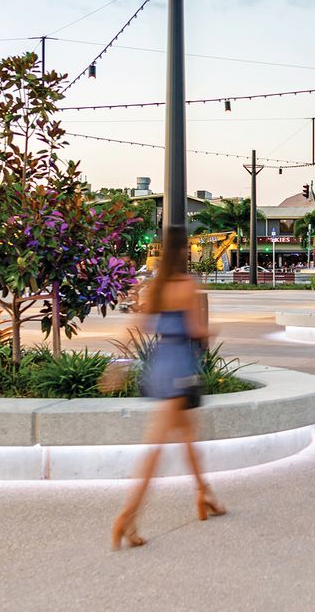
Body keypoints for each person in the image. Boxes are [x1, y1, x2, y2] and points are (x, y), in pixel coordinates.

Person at [112, 225, 225, 550]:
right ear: (184, 251)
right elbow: (195, 330)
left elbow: (138, 326)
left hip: (160, 366)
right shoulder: (186, 285)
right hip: (180, 369)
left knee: (188, 437)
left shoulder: (156, 286)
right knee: (156, 448)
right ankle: (127, 517)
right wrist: (211, 330)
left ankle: (205, 494)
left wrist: (117, 368)